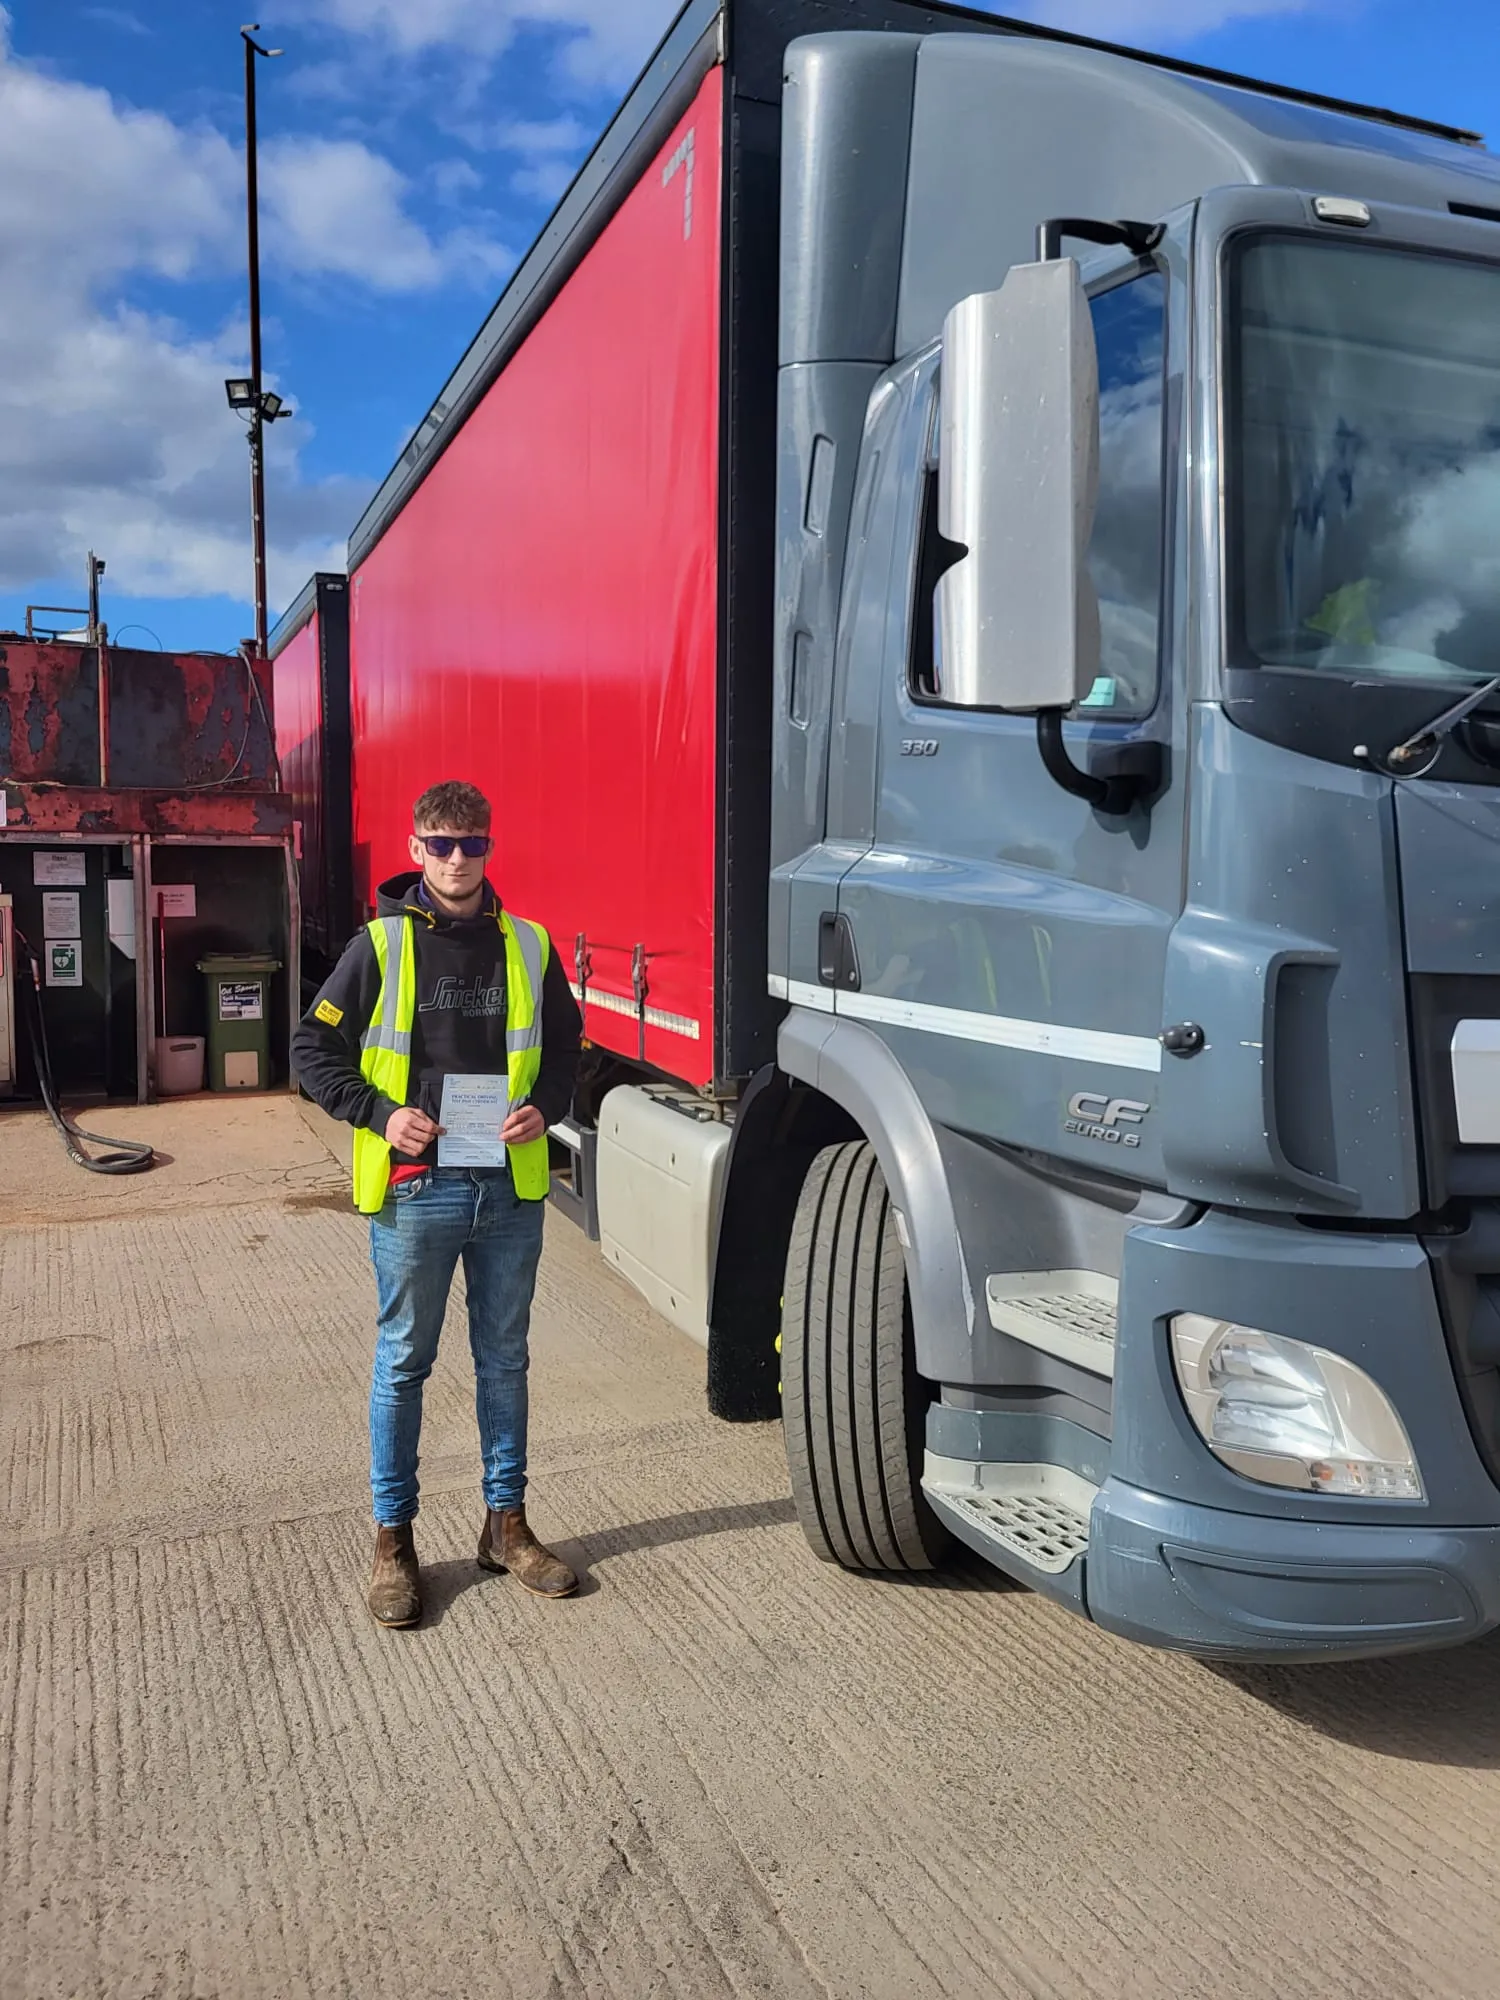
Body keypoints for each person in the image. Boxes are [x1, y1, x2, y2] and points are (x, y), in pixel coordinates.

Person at [291, 780, 582, 1630]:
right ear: (417, 850)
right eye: (442, 844)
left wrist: (549, 1106)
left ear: (491, 848)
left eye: (473, 844)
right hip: (418, 1190)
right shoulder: (378, 945)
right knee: (404, 1364)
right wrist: (383, 1115)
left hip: (507, 1185)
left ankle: (507, 1524)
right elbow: (313, 1046)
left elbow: (565, 1047)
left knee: (505, 1362)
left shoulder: (528, 946)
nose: (459, 859)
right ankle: (393, 1541)